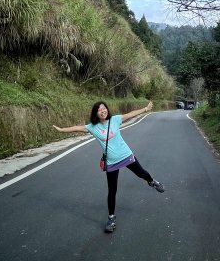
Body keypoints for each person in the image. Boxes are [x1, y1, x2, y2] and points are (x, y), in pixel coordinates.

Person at [53, 100, 164, 233]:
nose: (103, 111)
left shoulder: (115, 120)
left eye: (104, 108)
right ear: (96, 113)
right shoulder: (93, 127)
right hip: (111, 162)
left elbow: (130, 114)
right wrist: (61, 130)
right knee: (112, 190)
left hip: (126, 155)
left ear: (107, 110)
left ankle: (152, 182)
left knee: (142, 173)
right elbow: (77, 128)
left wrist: (145, 109)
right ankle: (111, 218)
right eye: (100, 110)